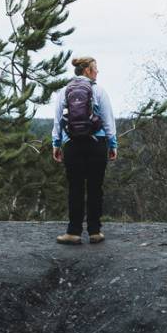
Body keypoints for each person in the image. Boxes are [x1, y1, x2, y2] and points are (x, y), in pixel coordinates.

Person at [51, 56, 118, 245]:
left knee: (75, 188)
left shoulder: (64, 91)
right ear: (88, 70)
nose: (97, 72)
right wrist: (112, 145)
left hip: (72, 144)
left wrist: (56, 144)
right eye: (95, 68)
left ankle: (73, 232)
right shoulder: (99, 91)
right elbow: (108, 120)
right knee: (96, 187)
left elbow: (58, 120)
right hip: (97, 144)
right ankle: (95, 231)